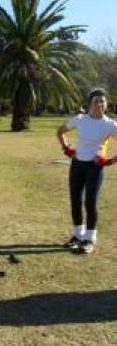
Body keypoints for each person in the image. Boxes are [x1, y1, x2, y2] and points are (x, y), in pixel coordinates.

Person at [56, 88, 117, 254]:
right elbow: (60, 131)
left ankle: (89, 238)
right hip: (77, 165)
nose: (100, 104)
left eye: (102, 101)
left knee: (90, 202)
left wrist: (109, 161)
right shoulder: (80, 119)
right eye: (96, 101)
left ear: (106, 104)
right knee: (75, 200)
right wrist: (67, 149)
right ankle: (77, 236)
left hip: (94, 167)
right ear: (90, 104)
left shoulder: (110, 124)